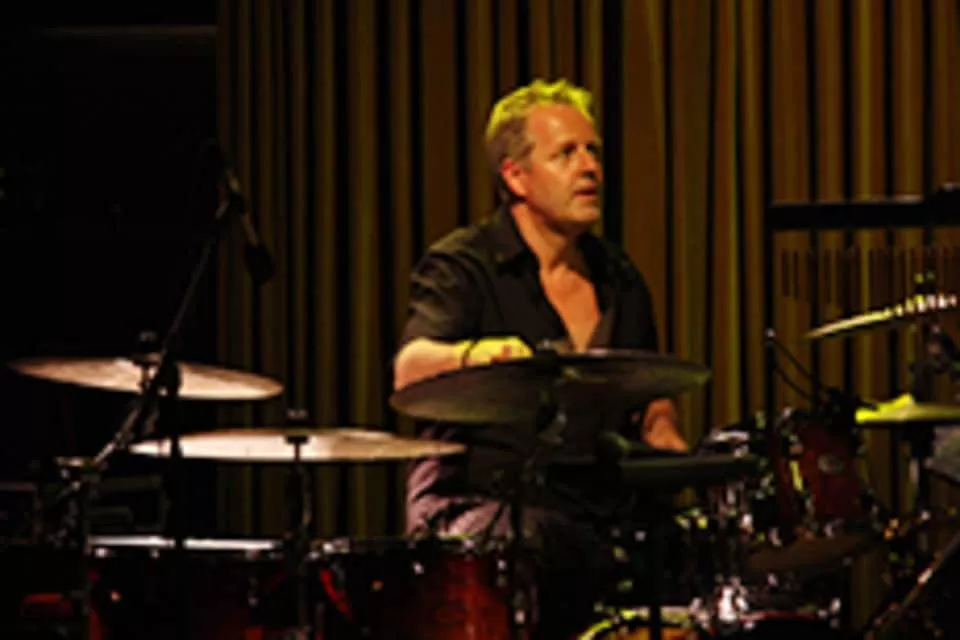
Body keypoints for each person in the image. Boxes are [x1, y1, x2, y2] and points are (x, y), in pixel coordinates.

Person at [393, 78, 689, 638]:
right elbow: (411, 367)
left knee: (687, 546)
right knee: (539, 543)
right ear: (516, 177)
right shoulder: (464, 265)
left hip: (593, 505)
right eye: (566, 154)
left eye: (593, 151)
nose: (590, 167)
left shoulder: (618, 277)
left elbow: (651, 394)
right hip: (478, 503)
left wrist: (668, 438)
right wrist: (482, 354)